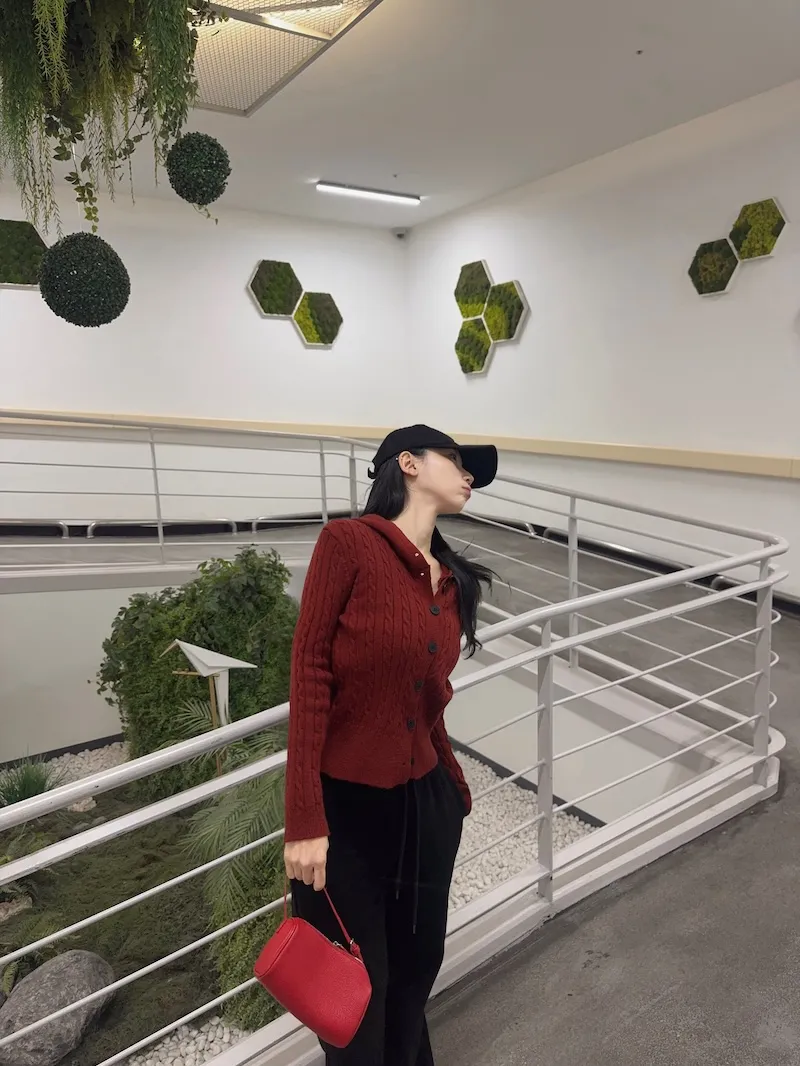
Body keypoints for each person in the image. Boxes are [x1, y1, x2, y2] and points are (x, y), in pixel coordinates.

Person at [283, 424, 497, 1066]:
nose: (468, 476)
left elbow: (428, 703)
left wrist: (453, 790)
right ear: (408, 462)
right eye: (455, 461)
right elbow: (310, 672)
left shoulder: (451, 581)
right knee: (354, 998)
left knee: (414, 974)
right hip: (345, 814)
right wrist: (304, 818)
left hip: (425, 810)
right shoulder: (348, 544)